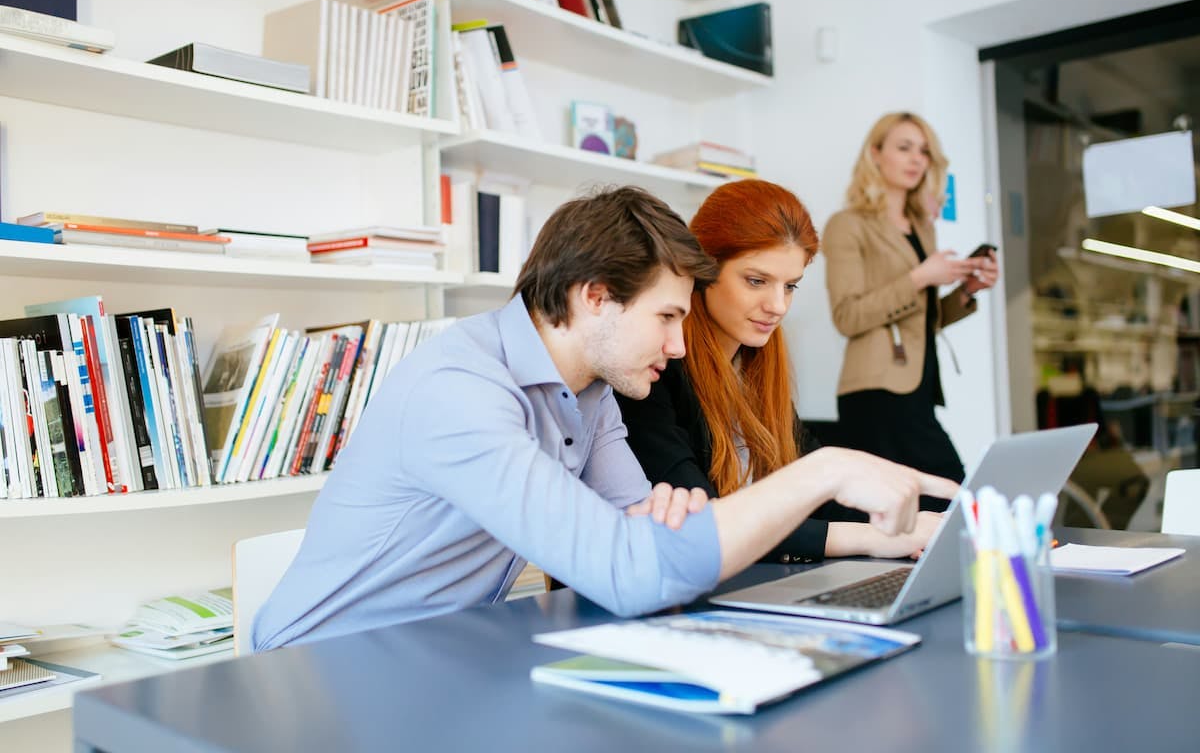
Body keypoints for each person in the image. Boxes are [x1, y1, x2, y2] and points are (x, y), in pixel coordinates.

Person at [253, 186, 957, 651]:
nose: (681, 346)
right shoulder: (459, 391)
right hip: (316, 674)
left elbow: (646, 534)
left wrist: (662, 532)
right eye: (667, 318)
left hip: (434, 653)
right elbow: (630, 571)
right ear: (596, 298)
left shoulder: (592, 395)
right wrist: (825, 471)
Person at [617, 180, 946, 563]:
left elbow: (820, 496)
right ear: (702, 271)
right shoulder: (653, 372)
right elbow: (708, 523)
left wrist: (905, 526)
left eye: (790, 286)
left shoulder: (755, 367)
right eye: (756, 281)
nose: (777, 305)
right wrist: (870, 537)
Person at [824, 111, 998, 483]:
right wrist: (920, 277)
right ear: (875, 154)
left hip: (918, 387)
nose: (917, 159)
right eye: (904, 148)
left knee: (925, 503)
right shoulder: (847, 225)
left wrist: (967, 290)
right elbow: (847, 316)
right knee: (946, 489)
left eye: (923, 151)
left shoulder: (921, 227)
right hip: (876, 392)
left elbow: (921, 319)